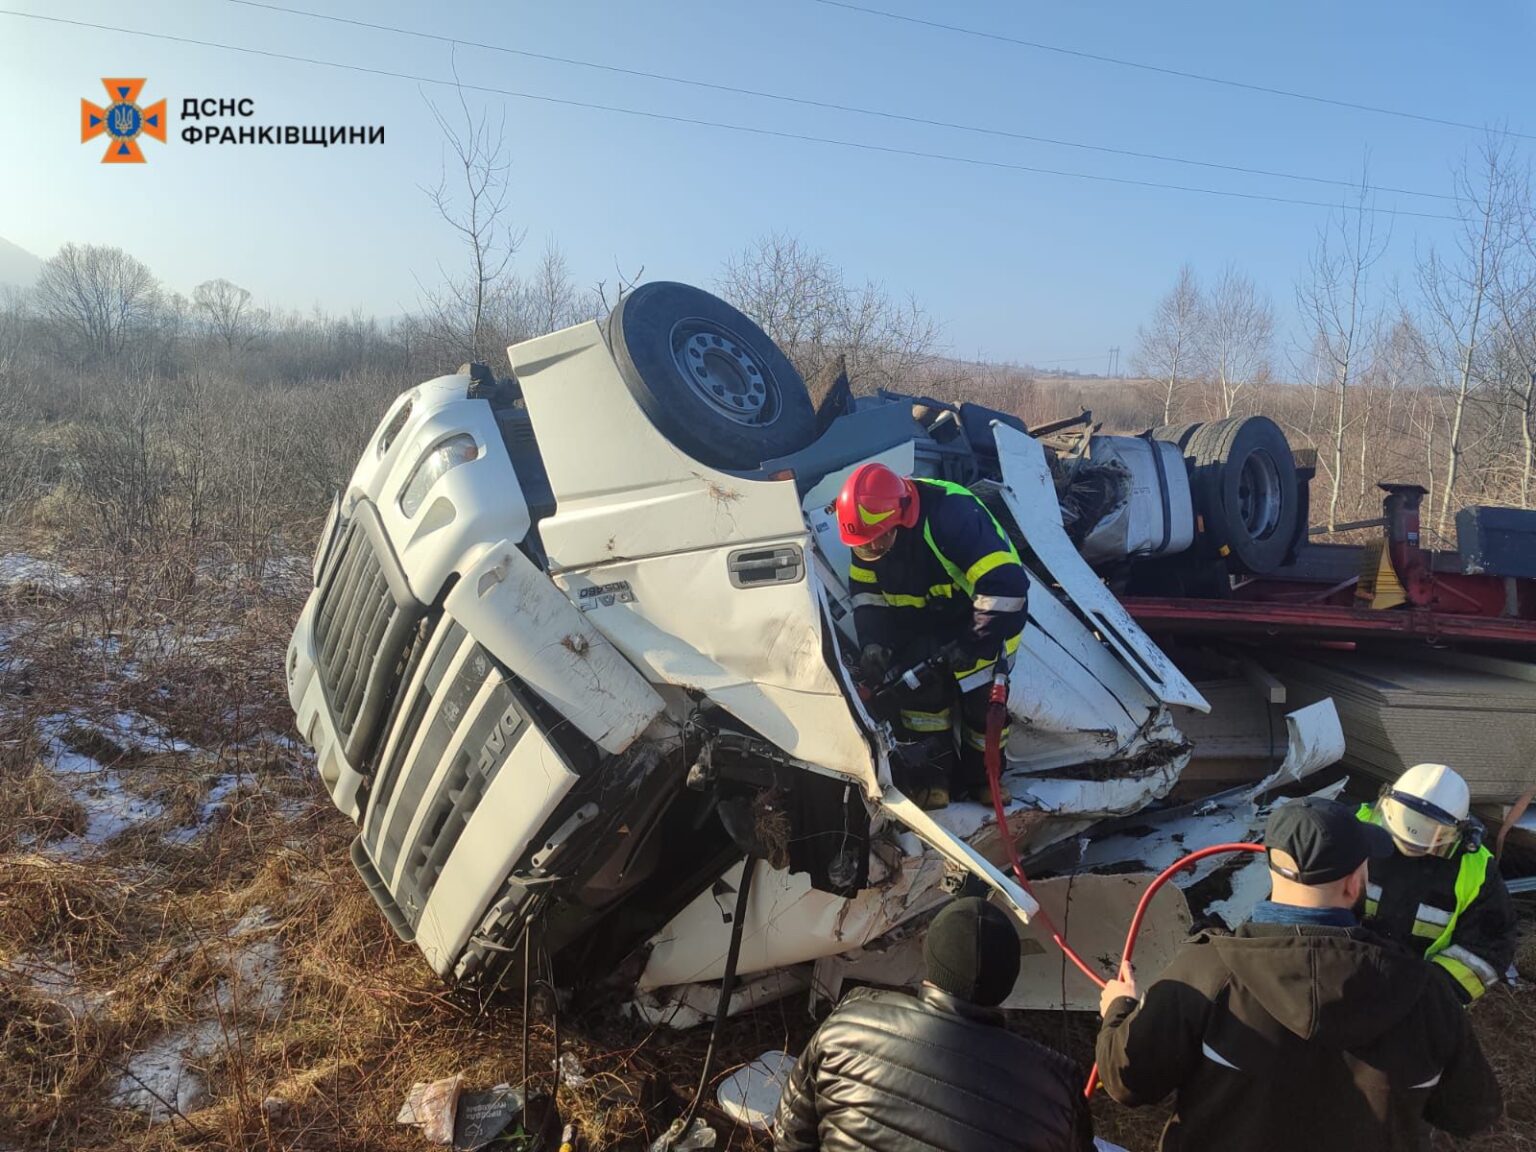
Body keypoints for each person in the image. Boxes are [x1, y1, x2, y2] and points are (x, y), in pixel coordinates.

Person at [1095, 796, 1502, 1152]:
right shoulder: (1425, 994)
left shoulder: (1206, 971)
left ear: (1271, 869)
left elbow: (1128, 1080)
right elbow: (1472, 1112)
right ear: (1354, 883)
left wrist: (1119, 1009)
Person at [773, 896, 1094, 1152]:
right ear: (1009, 982)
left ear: (930, 958)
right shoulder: (1058, 1090)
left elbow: (790, 1133)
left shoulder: (847, 1025)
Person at [836, 461, 1029, 809]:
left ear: (900, 517)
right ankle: (934, 784)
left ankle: (985, 782)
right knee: (922, 704)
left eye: (878, 543)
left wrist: (972, 642)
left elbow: (1006, 587)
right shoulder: (868, 531)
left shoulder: (952, 514)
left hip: (982, 626)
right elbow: (867, 595)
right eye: (864, 547)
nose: (871, 552)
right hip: (923, 628)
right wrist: (874, 644)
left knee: (983, 710)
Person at [1357, 762, 1517, 1004]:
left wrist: (1427, 997)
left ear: (1456, 831)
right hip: (1340, 974)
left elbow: (1489, 947)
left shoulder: (1476, 870)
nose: (1412, 842)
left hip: (1417, 996)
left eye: (1431, 831)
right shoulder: (1350, 826)